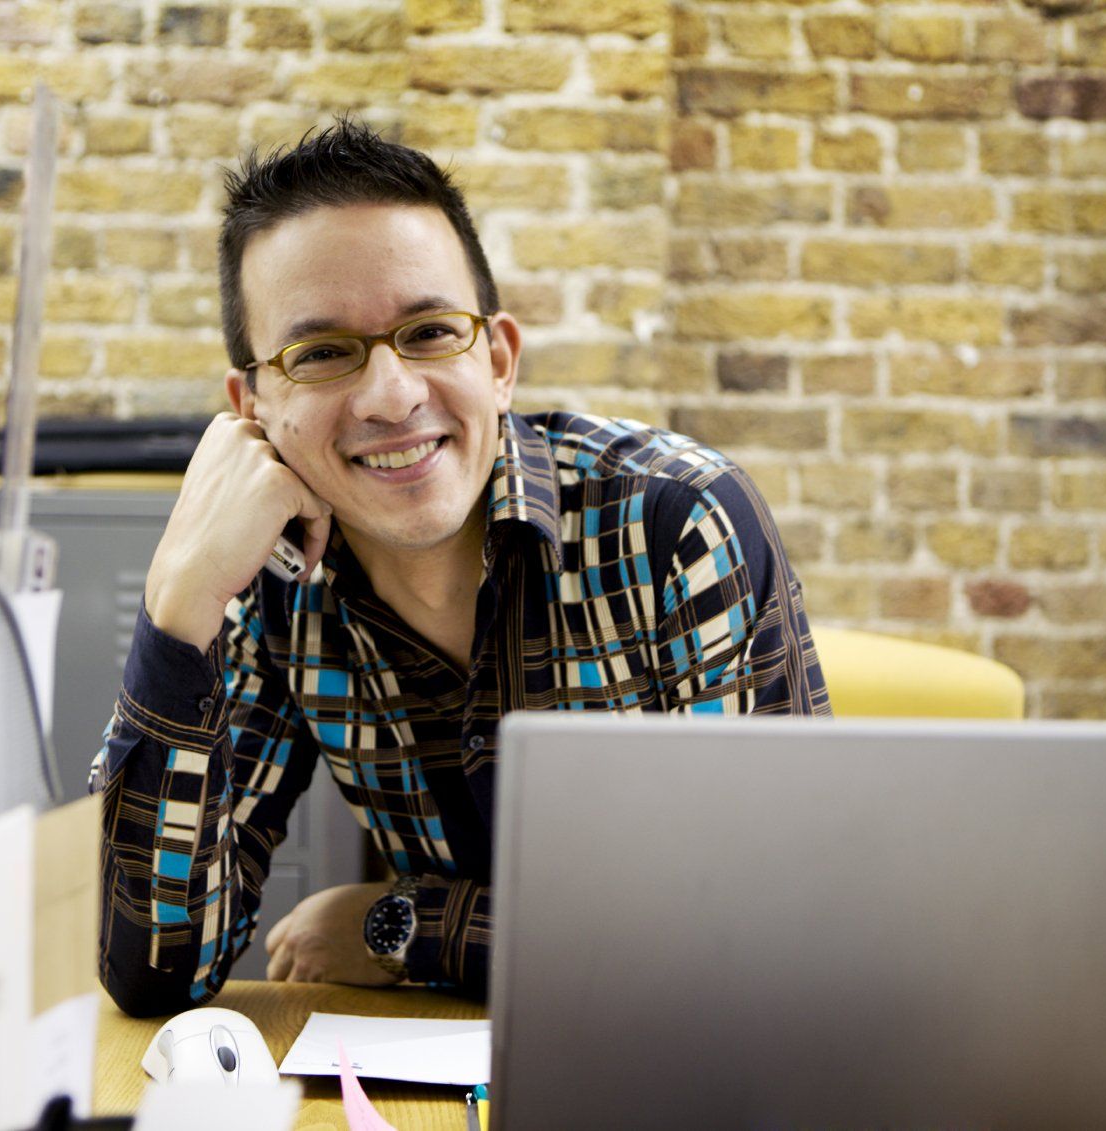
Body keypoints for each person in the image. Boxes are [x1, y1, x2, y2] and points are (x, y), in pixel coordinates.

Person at [92, 118, 830, 1016]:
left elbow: (763, 941)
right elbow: (156, 968)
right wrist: (182, 598)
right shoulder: (274, 592)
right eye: (321, 353)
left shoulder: (675, 524)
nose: (393, 395)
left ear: (500, 360)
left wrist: (407, 923)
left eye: (430, 331)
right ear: (254, 407)